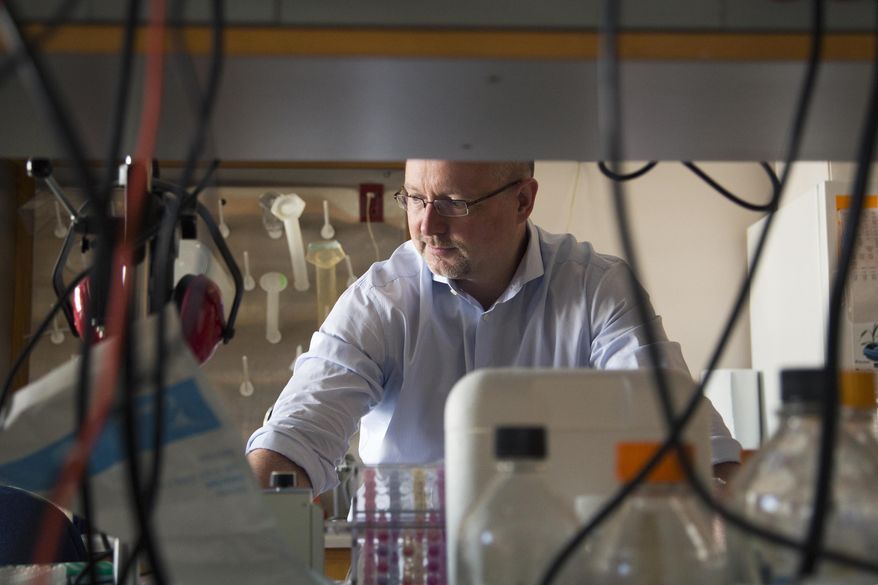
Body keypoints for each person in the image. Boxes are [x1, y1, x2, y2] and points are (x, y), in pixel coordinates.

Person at [246, 160, 741, 494]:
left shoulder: (597, 289)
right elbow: (295, 435)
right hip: (414, 565)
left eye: (454, 203)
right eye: (415, 199)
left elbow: (690, 440)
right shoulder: (381, 301)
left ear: (523, 201)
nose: (427, 226)